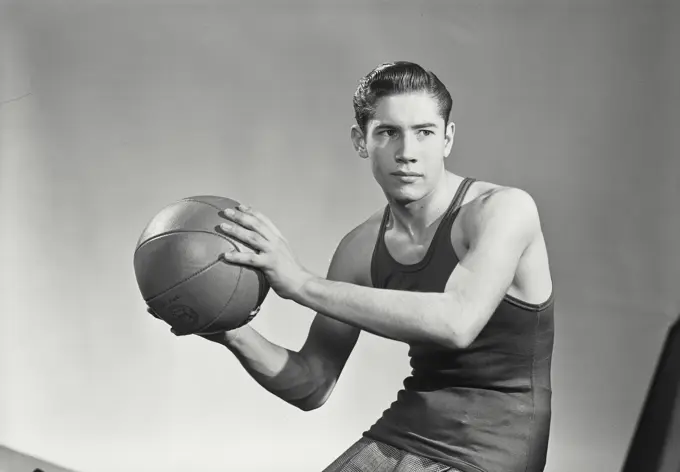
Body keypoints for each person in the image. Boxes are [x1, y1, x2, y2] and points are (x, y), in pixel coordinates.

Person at [155, 61, 555, 472]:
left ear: (448, 139)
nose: (407, 152)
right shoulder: (360, 248)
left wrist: (301, 283)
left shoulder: (504, 210)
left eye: (425, 132)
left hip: (493, 449)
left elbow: (456, 323)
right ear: (360, 140)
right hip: (406, 433)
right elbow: (312, 384)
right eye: (387, 132)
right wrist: (227, 329)